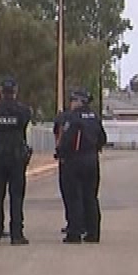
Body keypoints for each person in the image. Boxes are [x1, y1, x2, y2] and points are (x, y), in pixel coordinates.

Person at [0, 77, 33, 245]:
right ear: (15, 92)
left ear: (2, 92)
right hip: (17, 158)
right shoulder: (23, 110)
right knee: (16, 197)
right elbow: (24, 129)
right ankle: (16, 234)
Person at [59, 90, 107, 243]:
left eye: (73, 100)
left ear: (79, 101)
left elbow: (66, 140)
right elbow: (102, 138)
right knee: (91, 197)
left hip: (75, 160)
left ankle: (74, 233)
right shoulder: (95, 117)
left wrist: (61, 153)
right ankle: (93, 233)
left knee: (74, 197)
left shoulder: (73, 118)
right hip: (92, 159)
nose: (71, 104)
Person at [53, 91, 84, 236]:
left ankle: (75, 225)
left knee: (72, 194)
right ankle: (75, 223)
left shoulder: (69, 118)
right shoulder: (64, 117)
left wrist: (60, 151)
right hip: (81, 159)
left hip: (70, 160)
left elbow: (59, 137)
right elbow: (57, 134)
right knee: (75, 194)